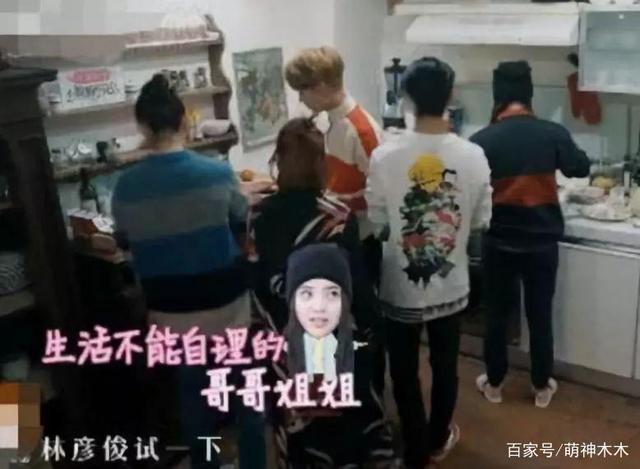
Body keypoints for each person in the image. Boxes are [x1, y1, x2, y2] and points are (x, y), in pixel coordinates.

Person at [111, 74, 266, 469]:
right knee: (247, 398)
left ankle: (207, 464)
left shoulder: (125, 187)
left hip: (170, 314)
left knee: (195, 402)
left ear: (142, 127)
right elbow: (240, 228)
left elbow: (125, 243)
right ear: (184, 122)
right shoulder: (217, 173)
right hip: (226, 309)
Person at [366, 57, 493, 468]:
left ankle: (415, 448)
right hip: (451, 284)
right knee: (445, 365)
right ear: (451, 96)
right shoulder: (474, 155)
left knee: (402, 369)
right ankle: (438, 437)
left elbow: (378, 220)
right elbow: (481, 221)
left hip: (399, 284)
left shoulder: (385, 156)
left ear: (406, 97)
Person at [249, 118, 394, 467]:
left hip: (282, 348)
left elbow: (258, 286)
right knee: (343, 433)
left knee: (301, 438)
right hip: (333, 343)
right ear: (321, 163)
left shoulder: (257, 216)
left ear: (278, 161)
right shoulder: (338, 217)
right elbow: (357, 290)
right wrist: (375, 328)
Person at [470, 60, 591, 409]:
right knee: (539, 315)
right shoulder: (551, 133)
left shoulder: (481, 141)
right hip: (541, 243)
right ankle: (541, 386)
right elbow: (580, 167)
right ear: (529, 94)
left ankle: (494, 384)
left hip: (499, 242)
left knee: (496, 316)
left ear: (497, 97)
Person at [285, 45, 387, 396]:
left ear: (323, 86)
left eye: (303, 90)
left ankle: (371, 392)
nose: (301, 99)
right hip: (339, 239)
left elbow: (380, 197)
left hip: (362, 242)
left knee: (364, 324)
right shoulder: (332, 124)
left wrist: (336, 202)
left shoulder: (361, 130)